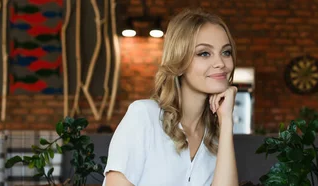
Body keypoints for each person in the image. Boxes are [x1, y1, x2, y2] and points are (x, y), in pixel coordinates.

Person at [102, 8, 239, 186]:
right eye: (204, 53)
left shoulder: (214, 136)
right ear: (179, 61)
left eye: (226, 52)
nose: (221, 63)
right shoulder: (144, 116)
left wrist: (227, 121)